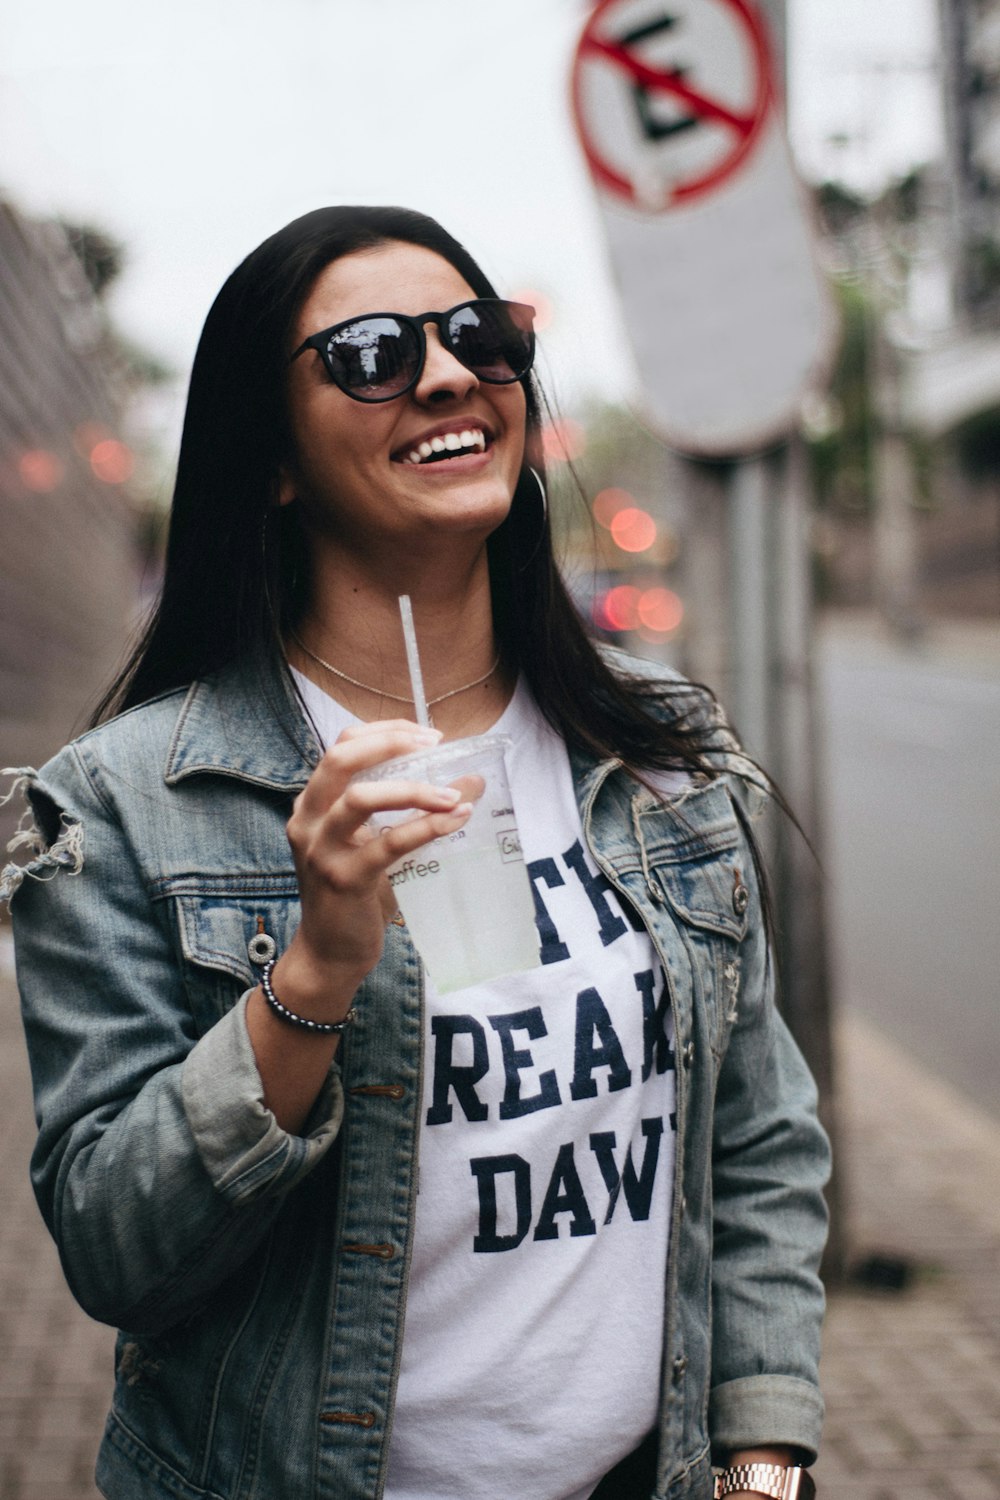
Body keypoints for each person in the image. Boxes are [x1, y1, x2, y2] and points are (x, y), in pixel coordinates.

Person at [1, 206, 830, 1500]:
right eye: (371, 352)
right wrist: (317, 971)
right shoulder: (121, 807)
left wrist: (762, 1463)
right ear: (271, 457)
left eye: (479, 338)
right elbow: (118, 1248)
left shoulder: (655, 746)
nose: (446, 374)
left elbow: (759, 1137)